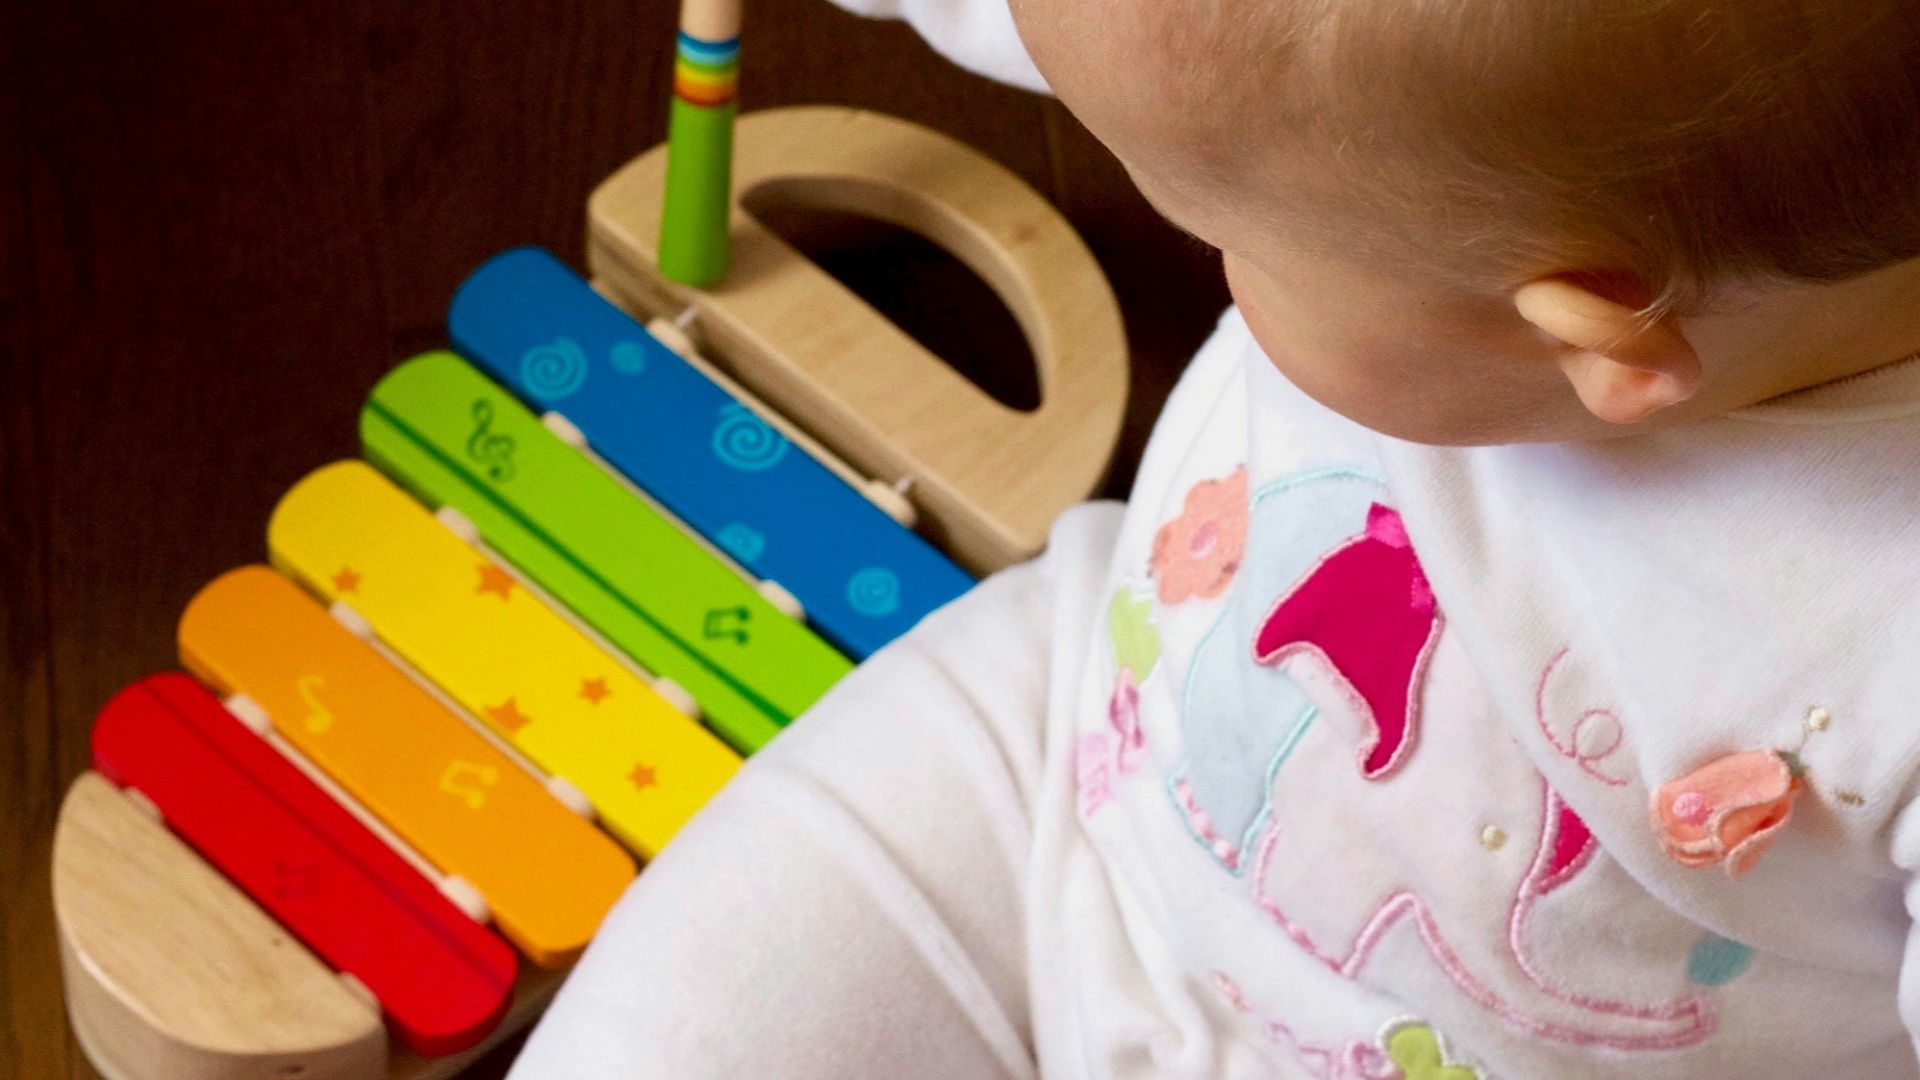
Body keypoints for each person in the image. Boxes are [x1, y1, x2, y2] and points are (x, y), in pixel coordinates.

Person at [509, 1, 1920, 1075]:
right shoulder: (1406, 131)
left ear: (1590, 338)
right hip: (1076, 777)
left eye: (1234, 236)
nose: (1218, 259)